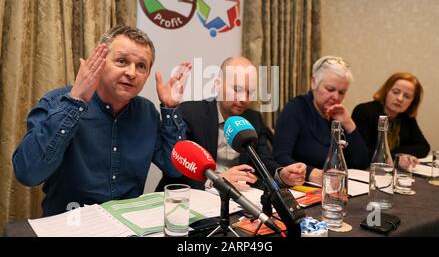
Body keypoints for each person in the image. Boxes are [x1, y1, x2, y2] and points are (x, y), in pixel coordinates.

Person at [12, 25, 192, 217]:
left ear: (147, 76)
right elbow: (27, 174)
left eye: (141, 66)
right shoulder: (57, 101)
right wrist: (75, 103)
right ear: (100, 63)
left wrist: (170, 109)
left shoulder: (146, 112)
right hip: (69, 221)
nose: (132, 73)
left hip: (127, 224)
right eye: (122, 61)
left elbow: (173, 168)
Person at [156, 56, 306, 191]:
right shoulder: (191, 113)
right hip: (195, 196)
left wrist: (281, 174)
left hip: (236, 199)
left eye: (250, 92)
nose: (244, 99)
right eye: (237, 89)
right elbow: (178, 169)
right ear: (218, 85)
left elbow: (263, 161)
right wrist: (215, 181)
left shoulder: (253, 119)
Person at [273, 56, 369, 185]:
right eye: (330, 89)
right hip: (304, 187)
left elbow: (361, 162)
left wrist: (349, 124)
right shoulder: (296, 109)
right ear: (314, 83)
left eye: (341, 92)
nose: (335, 97)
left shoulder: (339, 115)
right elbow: (279, 157)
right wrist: (311, 173)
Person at [352, 72, 430, 163]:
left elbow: (423, 147)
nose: (400, 99)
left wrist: (397, 155)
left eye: (407, 96)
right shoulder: (364, 111)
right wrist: (395, 158)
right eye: (396, 92)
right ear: (386, 91)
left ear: (412, 102)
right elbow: (360, 151)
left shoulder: (407, 117)